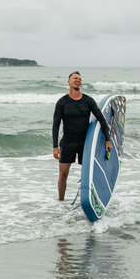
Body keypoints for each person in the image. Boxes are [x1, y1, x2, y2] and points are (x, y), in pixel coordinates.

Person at [52, 71, 112, 201]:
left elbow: (102, 120)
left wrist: (107, 140)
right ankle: (60, 201)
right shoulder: (62, 102)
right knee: (63, 175)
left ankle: (91, 200)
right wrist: (55, 146)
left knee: (89, 174)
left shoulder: (88, 101)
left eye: (80, 78)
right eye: (75, 78)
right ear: (69, 82)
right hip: (67, 142)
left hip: (85, 143)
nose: (78, 80)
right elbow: (55, 125)